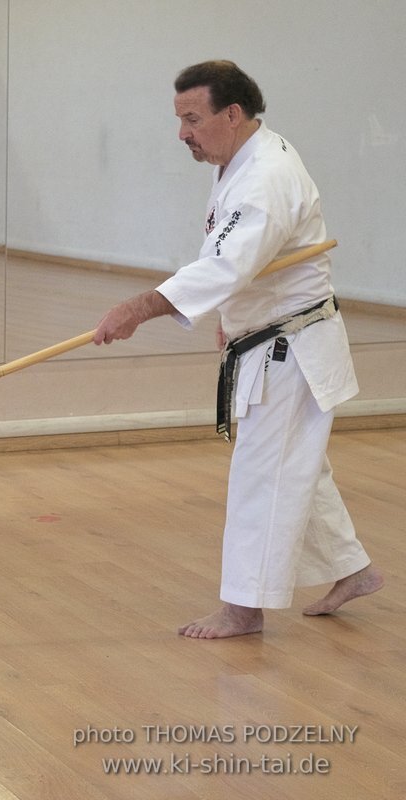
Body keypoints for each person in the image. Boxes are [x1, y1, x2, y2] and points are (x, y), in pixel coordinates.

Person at [92, 60, 383, 639]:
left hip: (291, 347)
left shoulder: (264, 177)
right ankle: (354, 570)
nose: (183, 134)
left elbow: (228, 264)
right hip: (271, 335)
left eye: (192, 119)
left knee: (264, 475)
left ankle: (244, 609)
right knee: (298, 468)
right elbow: (242, 266)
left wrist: (142, 307)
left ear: (233, 114)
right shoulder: (242, 161)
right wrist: (232, 317)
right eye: (180, 120)